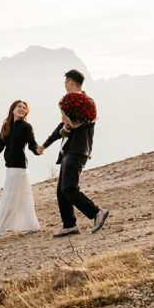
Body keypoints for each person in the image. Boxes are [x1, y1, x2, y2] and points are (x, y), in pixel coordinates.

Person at [38, 69, 109, 237]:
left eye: (65, 82)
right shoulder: (71, 105)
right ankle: (69, 225)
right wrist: (45, 145)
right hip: (68, 150)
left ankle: (97, 212)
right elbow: (62, 128)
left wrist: (73, 123)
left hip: (78, 150)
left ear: (70, 81)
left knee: (69, 188)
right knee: (61, 191)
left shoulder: (86, 103)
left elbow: (84, 123)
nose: (64, 86)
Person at [0, 100, 42, 238]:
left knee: (8, 197)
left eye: (24, 108)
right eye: (19, 107)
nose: (21, 109)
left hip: (19, 167)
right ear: (13, 109)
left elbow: (32, 144)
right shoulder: (7, 126)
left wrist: (37, 150)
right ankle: (30, 226)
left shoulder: (26, 127)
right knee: (21, 198)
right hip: (10, 166)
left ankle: (0, 228)